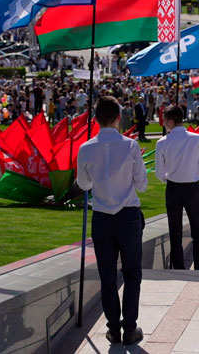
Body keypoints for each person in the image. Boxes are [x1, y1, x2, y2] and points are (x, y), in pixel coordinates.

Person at [77, 96, 148, 346]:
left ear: (95, 119)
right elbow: (142, 183)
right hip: (127, 215)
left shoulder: (86, 148)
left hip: (103, 218)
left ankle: (114, 329)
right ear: (119, 117)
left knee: (107, 275)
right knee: (132, 273)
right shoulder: (130, 146)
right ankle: (128, 328)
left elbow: (83, 184)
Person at [155, 105, 199, 270]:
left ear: (170, 121)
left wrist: (170, 178)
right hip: (192, 187)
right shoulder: (197, 139)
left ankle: (178, 267)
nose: (163, 123)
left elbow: (159, 171)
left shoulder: (163, 142)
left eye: (164, 120)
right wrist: (190, 174)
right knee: (197, 229)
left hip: (174, 188)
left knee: (175, 230)